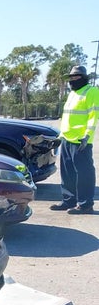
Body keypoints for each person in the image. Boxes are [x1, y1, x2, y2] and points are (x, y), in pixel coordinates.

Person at [51, 65, 99, 214]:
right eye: (71, 77)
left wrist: (86, 136)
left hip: (80, 141)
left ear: (84, 78)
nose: (73, 79)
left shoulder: (91, 92)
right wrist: (60, 137)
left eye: (76, 77)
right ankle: (68, 200)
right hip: (67, 138)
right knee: (67, 172)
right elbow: (67, 117)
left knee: (84, 173)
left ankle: (85, 204)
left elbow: (93, 116)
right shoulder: (72, 93)